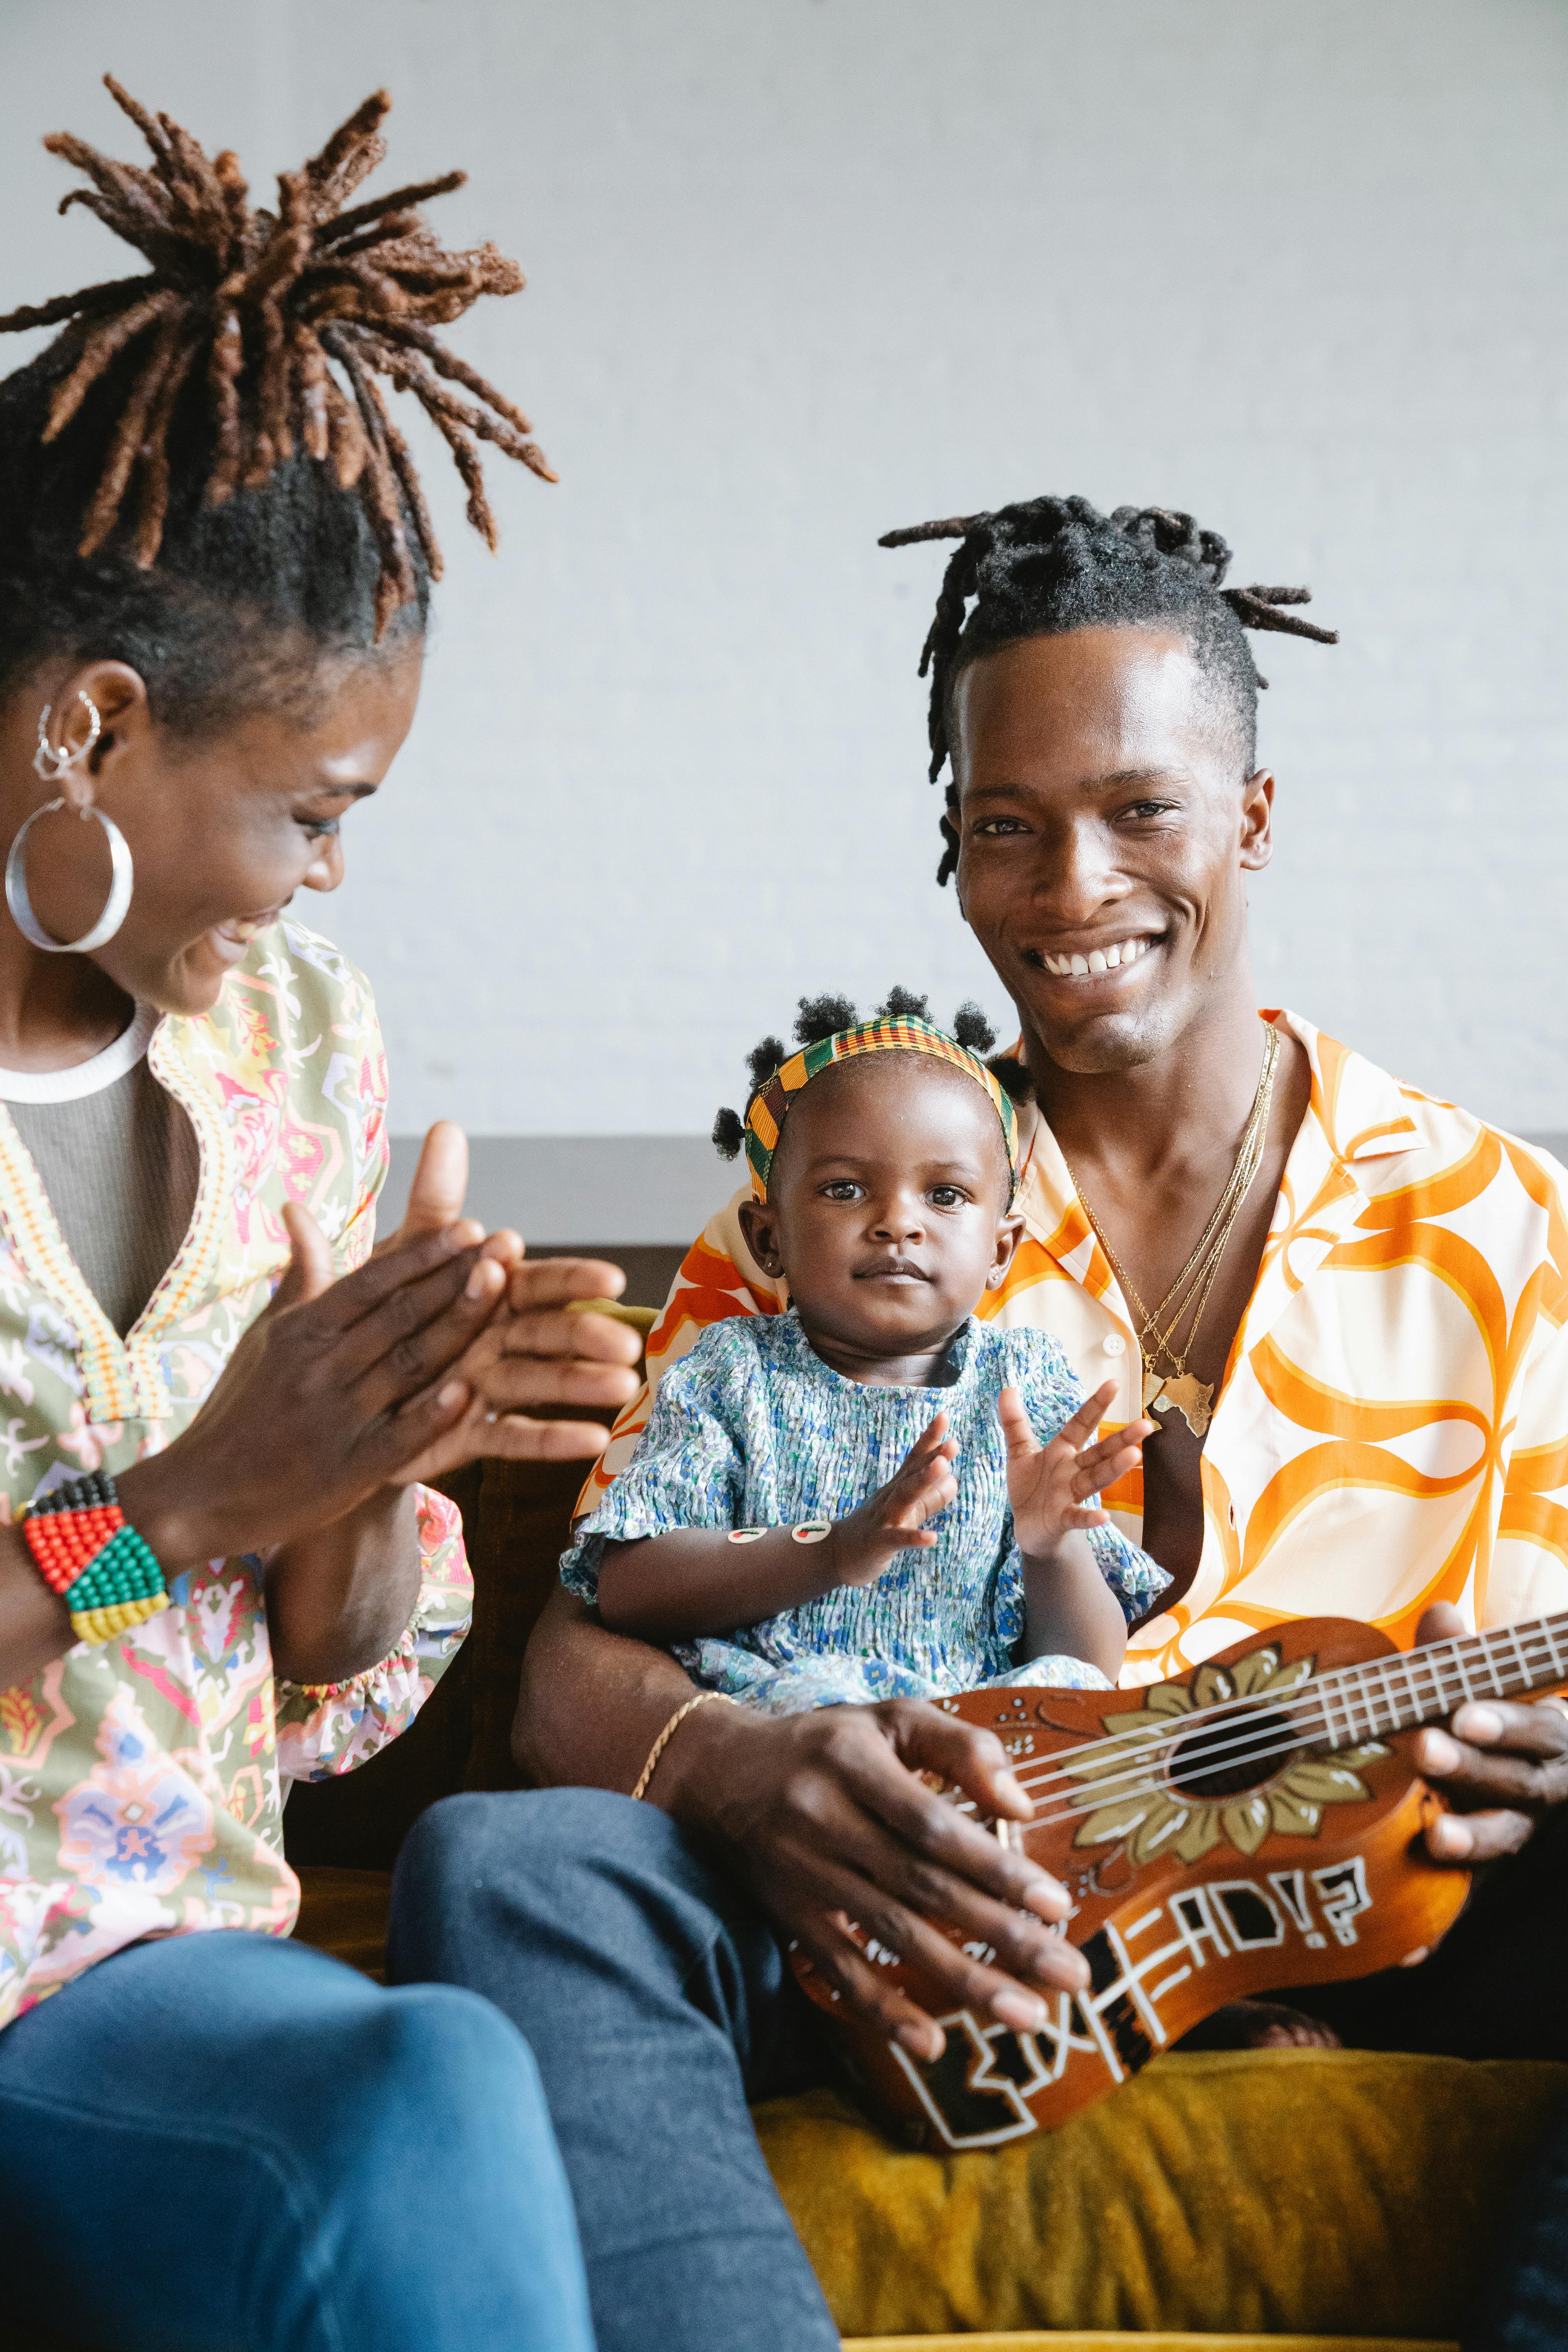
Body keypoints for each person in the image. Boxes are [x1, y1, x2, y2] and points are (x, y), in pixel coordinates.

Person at [389, 492, 1568, 2352]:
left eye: (1138, 810)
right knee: (506, 1861)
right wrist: (722, 1768)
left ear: (1250, 814)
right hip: (900, 1924)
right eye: (1003, 826)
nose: (1068, 885)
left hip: (1379, 1925)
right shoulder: (834, 1216)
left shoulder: (1501, 1223)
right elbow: (576, 1659)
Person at [0, 79, 643, 2352]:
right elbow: (180, 1533)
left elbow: (325, 1684)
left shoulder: (292, 1035)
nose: (331, 878)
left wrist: (383, 1460)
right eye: (306, 810)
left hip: (163, 1985)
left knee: (429, 2071)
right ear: (87, 734)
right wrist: (179, 1503)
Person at [577, 991, 1164, 1712]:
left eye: (945, 1195)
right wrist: (832, 1551)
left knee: (1072, 1697)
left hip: (969, 1735)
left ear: (1000, 1251)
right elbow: (628, 1590)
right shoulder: (732, 1373)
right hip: (786, 1726)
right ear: (769, 1239)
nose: (897, 1223)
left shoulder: (1022, 1384)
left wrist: (1051, 1547)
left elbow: (1087, 1664)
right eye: (846, 1189)